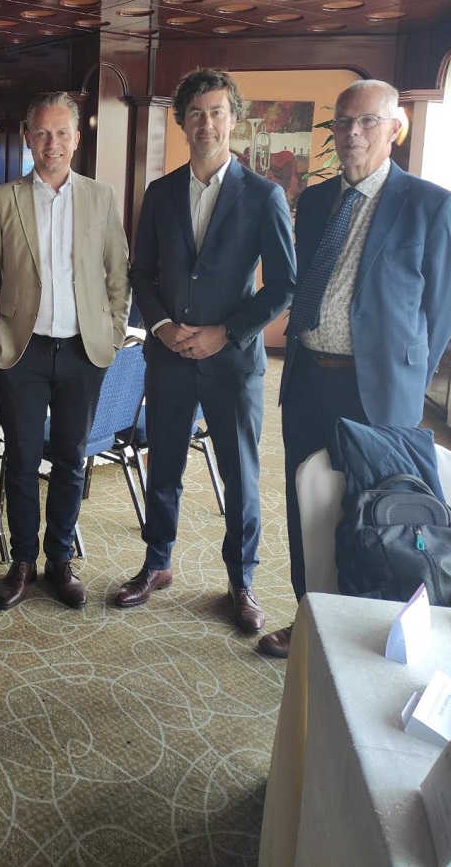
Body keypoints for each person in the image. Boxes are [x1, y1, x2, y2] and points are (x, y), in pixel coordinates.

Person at [259, 78, 451, 658]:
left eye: (368, 121)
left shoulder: (430, 204)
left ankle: (368, 624)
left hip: (378, 391)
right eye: (343, 121)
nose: (353, 133)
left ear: (394, 129)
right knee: (306, 502)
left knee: (373, 509)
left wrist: (406, 382)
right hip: (306, 379)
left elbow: (440, 313)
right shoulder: (317, 200)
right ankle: (309, 615)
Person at [115, 68, 296, 633]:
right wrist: (162, 326)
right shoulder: (160, 193)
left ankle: (241, 581)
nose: (207, 123)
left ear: (233, 119)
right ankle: (157, 563)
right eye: (195, 113)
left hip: (232, 362)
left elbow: (283, 285)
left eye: (217, 112)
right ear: (183, 122)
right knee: (163, 465)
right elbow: (141, 273)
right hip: (169, 358)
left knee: (240, 475)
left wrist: (225, 332)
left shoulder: (263, 195)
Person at [0, 91, 130, 610]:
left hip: (83, 352)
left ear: (77, 138)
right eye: (42, 132)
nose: (52, 143)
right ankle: (22, 561)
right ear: (27, 138)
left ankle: (59, 560)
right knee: (21, 461)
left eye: (62, 132)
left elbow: (118, 275)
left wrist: (113, 333)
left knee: (70, 460)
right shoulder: (2, 200)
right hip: (20, 353)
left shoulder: (101, 197)